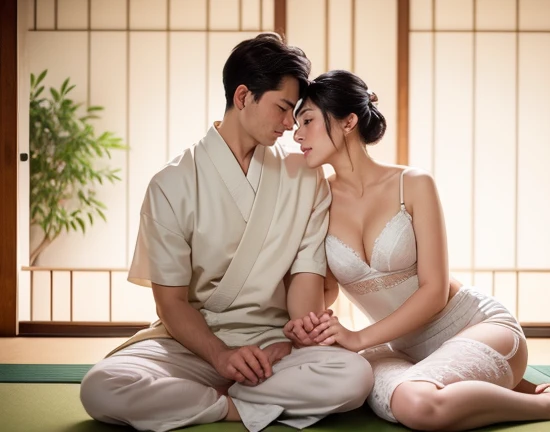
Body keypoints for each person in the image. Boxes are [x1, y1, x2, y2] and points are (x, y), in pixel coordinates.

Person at [79, 35, 373, 432]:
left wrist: (298, 335)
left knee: (354, 376)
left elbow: (306, 278)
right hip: (192, 343)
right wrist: (220, 357)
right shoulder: (172, 183)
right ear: (242, 96)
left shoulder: (304, 176)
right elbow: (171, 304)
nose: (290, 125)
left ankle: (204, 400)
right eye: (283, 108)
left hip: (274, 346)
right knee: (101, 387)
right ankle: (235, 406)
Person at [290, 69, 550, 431]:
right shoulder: (319, 199)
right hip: (397, 348)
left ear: (348, 122)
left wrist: (358, 338)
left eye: (308, 120)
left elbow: (435, 290)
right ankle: (524, 391)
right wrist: (310, 324)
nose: (298, 134)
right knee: (403, 401)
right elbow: (324, 290)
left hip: (471, 326)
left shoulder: (413, 184)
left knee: (419, 405)